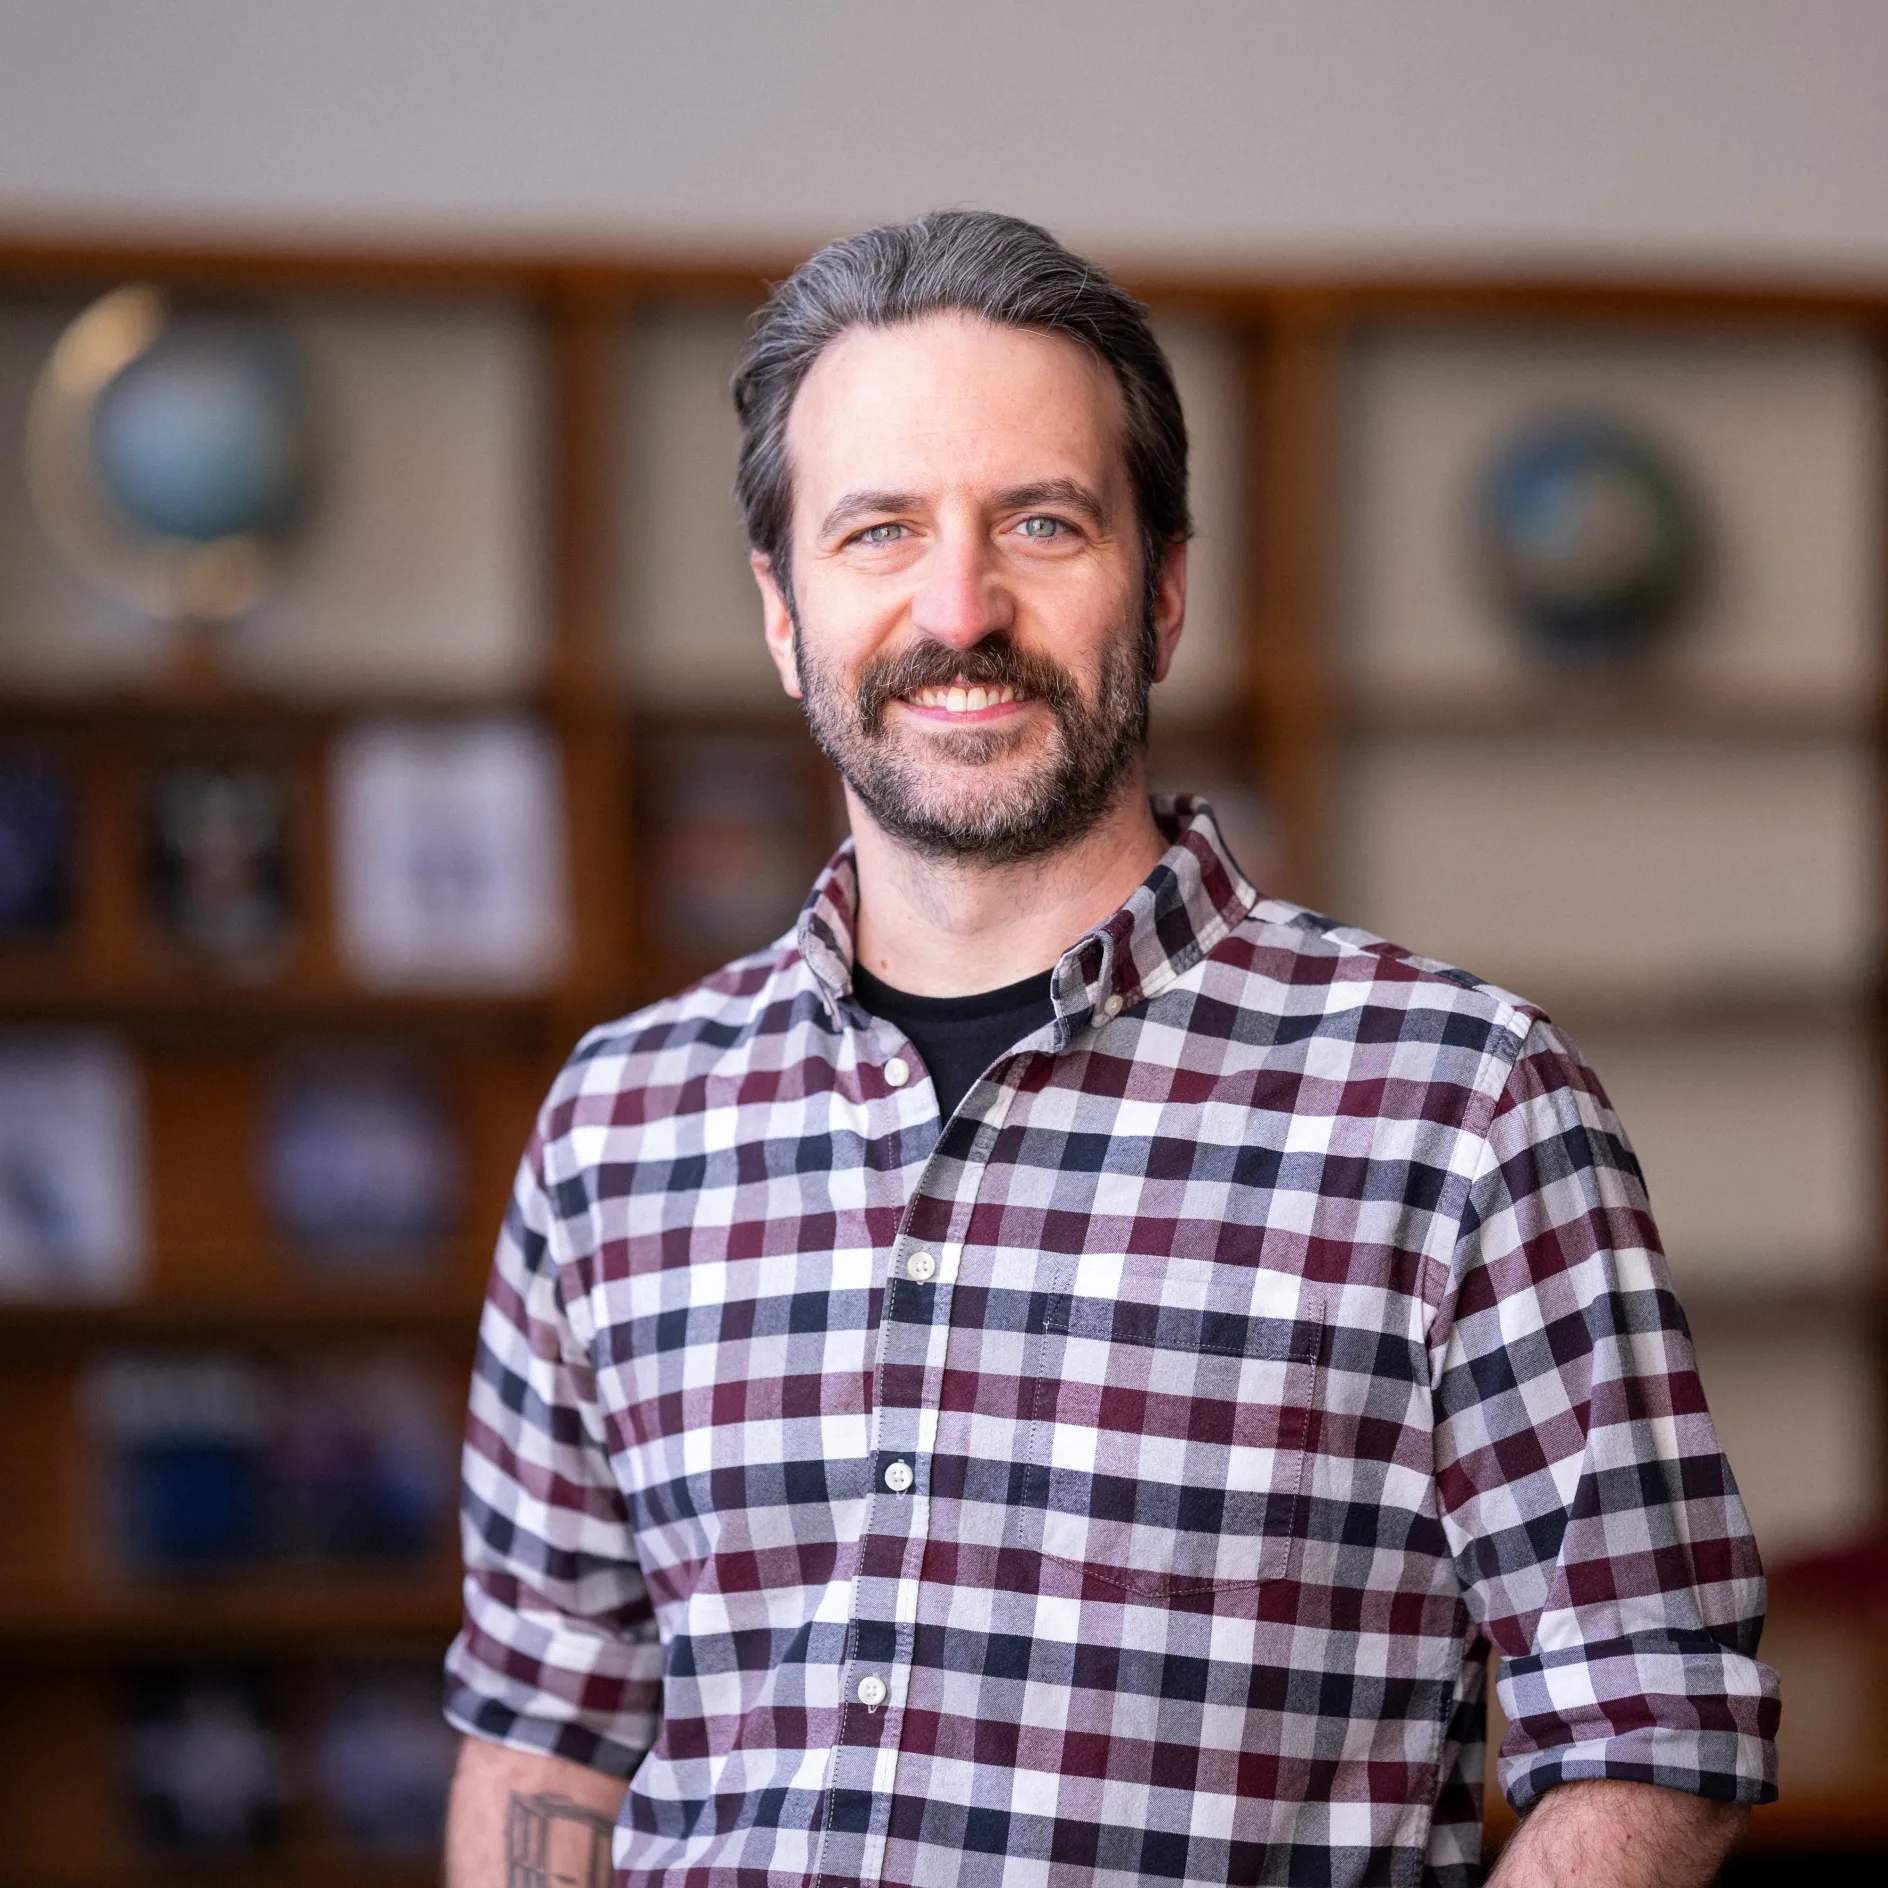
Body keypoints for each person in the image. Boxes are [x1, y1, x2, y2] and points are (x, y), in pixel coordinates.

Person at [442, 210, 1777, 1888]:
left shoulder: (1464, 1113)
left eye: (1041, 523)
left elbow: (1650, 1739)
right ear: (783, 613)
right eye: (878, 533)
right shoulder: (614, 1129)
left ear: (1162, 589)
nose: (959, 606)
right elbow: (545, 1726)